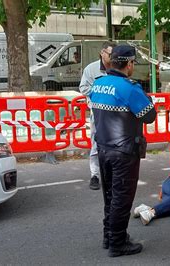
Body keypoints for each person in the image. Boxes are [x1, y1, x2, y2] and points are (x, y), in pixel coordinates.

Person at [89, 45, 157, 257]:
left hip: (103, 149)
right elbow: (149, 115)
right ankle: (117, 243)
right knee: (121, 198)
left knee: (109, 196)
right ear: (129, 64)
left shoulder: (98, 84)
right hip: (124, 152)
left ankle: (108, 236)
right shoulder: (129, 88)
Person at [79, 41, 117, 190]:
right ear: (102, 53)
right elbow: (83, 88)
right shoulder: (91, 69)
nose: (113, 58)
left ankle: (111, 174)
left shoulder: (117, 68)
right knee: (96, 144)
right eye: (110, 54)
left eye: (115, 55)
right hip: (98, 113)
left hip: (115, 114)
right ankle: (95, 175)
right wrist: (101, 93)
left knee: (113, 144)